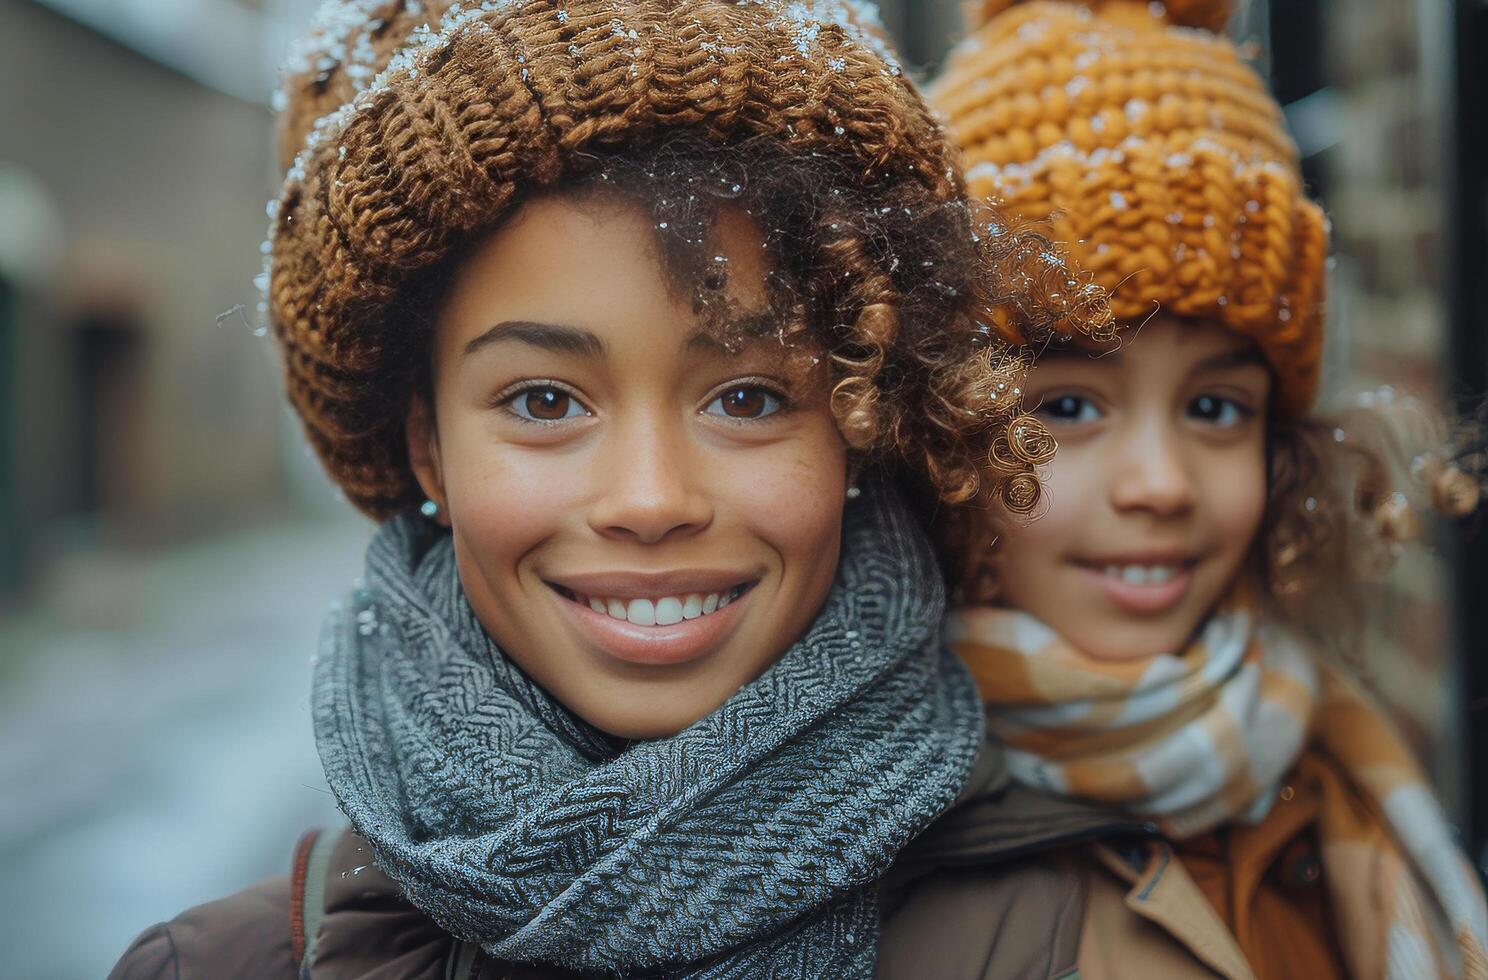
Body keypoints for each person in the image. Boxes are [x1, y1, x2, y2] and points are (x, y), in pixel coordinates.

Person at [108, 1, 1111, 977]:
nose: (649, 497)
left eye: (750, 397)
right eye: (545, 400)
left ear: (862, 422)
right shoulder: (215, 964)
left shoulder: (1080, 936)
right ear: (425, 446)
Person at [925, 0, 1488, 977]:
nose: (1160, 483)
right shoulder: (864, 856)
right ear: (937, 433)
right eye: (1065, 407)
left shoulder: (1325, 772)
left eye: (1216, 408)